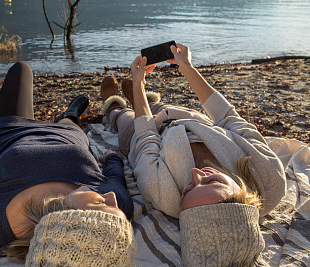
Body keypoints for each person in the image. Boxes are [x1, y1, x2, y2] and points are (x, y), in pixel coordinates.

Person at [100, 43, 286, 266]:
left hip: (152, 134)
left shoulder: (165, 195)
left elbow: (145, 137)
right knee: (161, 106)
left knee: (124, 120)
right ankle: (144, 99)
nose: (196, 174)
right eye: (210, 181)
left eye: (188, 188)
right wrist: (186, 67)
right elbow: (227, 116)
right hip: (190, 120)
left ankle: (113, 105)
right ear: (242, 195)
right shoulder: (269, 176)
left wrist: (139, 83)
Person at [0, 62, 136, 266]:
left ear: (73, 220)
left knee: (21, 69)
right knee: (70, 123)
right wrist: (112, 158)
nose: (111, 197)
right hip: (67, 135)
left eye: (101, 204)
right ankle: (70, 115)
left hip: (9, 134)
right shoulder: (117, 213)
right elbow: (116, 178)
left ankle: (69, 116)